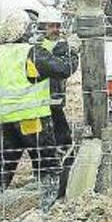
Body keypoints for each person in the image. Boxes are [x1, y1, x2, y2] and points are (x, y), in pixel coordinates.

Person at [0, 11, 75, 222]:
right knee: (47, 163)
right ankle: (47, 210)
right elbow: (64, 68)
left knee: (2, 164)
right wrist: (72, 51)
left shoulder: (2, 53)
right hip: (31, 119)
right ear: (27, 32)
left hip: (5, 120)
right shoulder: (31, 53)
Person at [36, 10, 78, 157]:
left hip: (53, 97)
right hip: (44, 98)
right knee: (57, 132)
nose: (55, 30)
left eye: (57, 26)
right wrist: (71, 49)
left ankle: (61, 155)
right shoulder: (44, 46)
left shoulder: (53, 44)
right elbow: (67, 67)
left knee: (57, 128)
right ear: (42, 27)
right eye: (51, 26)